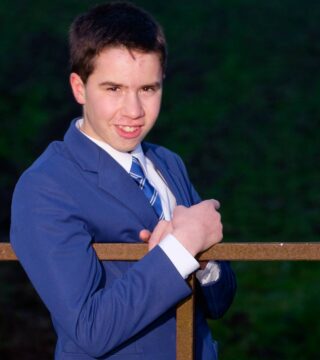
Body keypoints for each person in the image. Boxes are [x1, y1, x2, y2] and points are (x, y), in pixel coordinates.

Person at [10, 2, 236, 359]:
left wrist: (205, 263)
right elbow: (89, 329)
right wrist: (183, 246)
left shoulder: (168, 163)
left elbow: (219, 303)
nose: (134, 111)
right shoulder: (44, 186)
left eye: (148, 89)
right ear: (79, 88)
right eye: (113, 89)